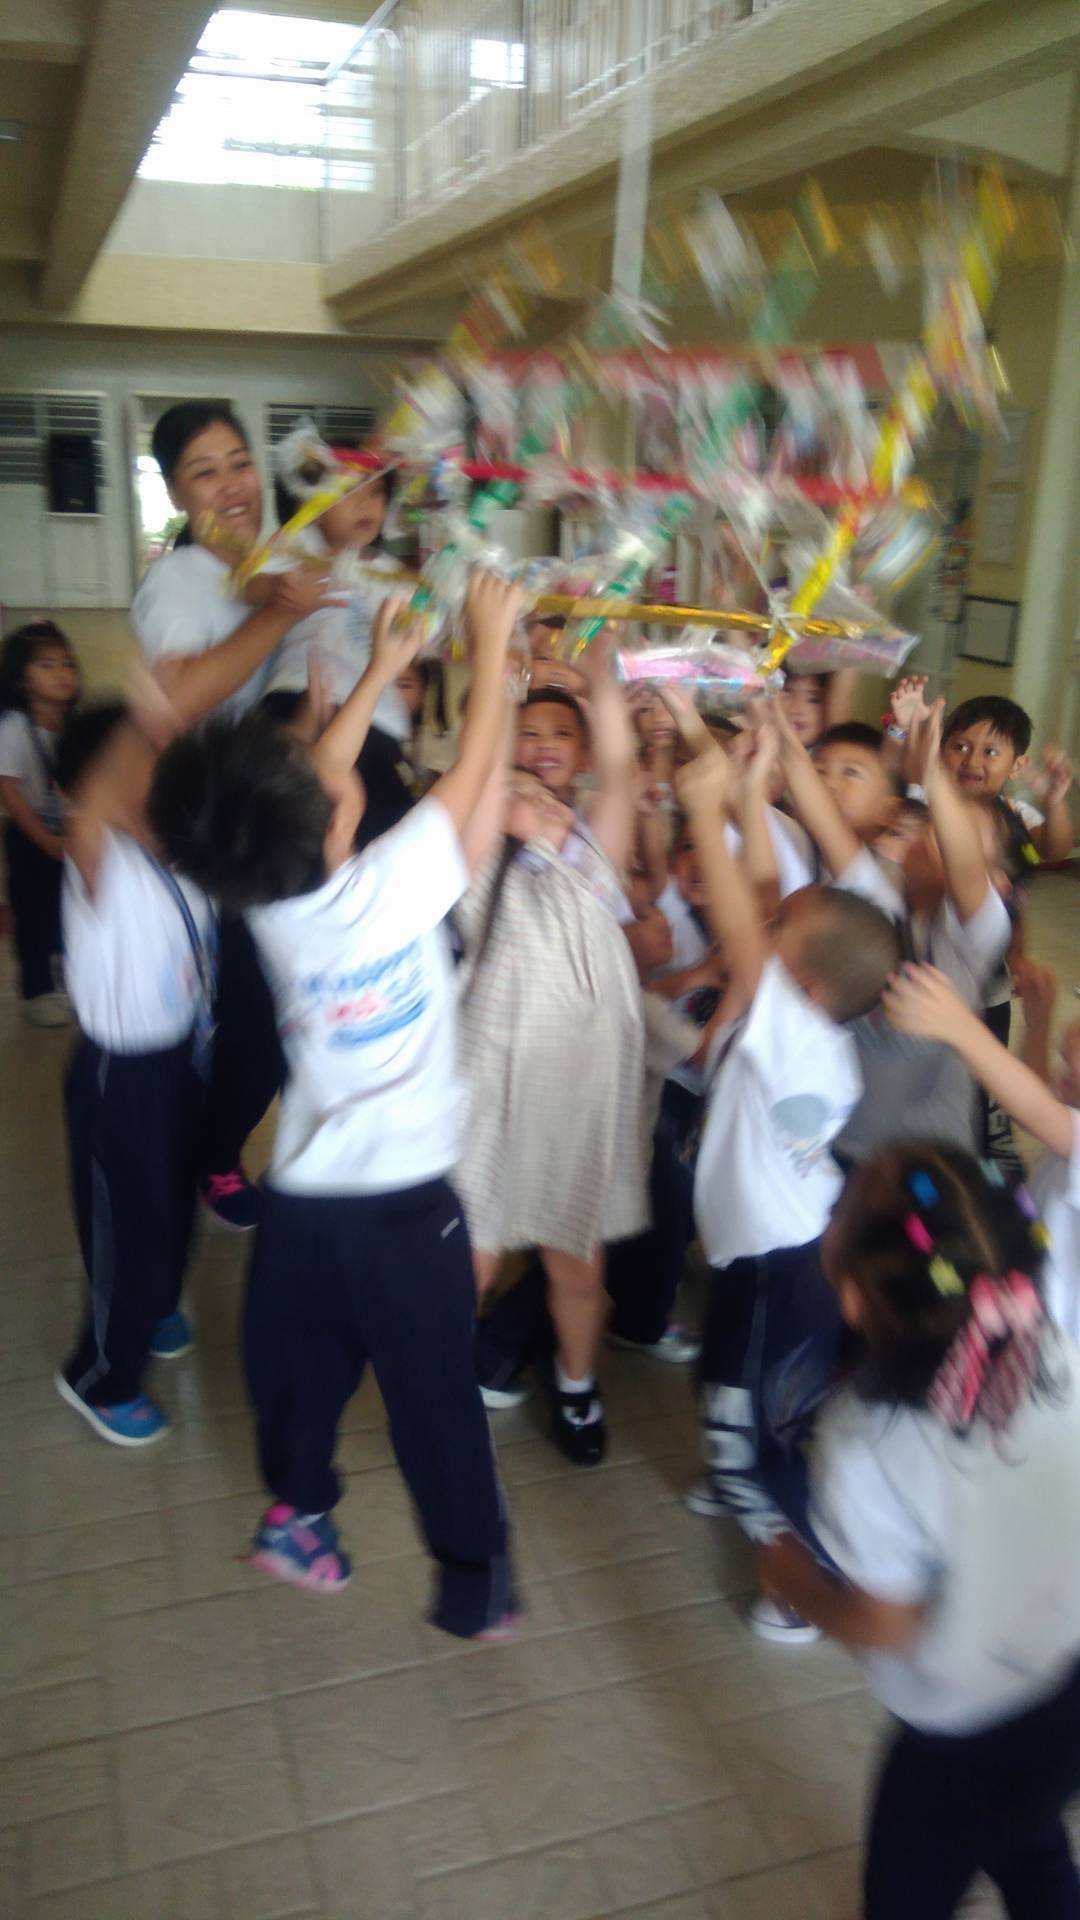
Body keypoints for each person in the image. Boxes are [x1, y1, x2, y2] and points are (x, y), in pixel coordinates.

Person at [148, 576, 520, 1634]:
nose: (335, 767)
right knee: (435, 1399)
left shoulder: (266, 900)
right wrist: (490, 652)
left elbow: (310, 791)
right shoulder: (390, 889)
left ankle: (298, 1515)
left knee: (297, 1370)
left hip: (305, 1205)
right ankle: (472, 1585)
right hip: (406, 1210)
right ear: (329, 823)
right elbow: (470, 778)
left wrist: (380, 673)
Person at [759, 1144, 1080, 1919]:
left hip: (958, 1736)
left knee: (907, 1895)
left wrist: (797, 1580)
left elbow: (888, 1621)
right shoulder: (1053, 1345)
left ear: (855, 1299)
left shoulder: (864, 1444)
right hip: (1068, 1683)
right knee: (1029, 1838)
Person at [675, 718, 901, 1642]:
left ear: (803, 986)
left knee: (752, 1412)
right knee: (741, 1383)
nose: (765, 925)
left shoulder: (793, 1034)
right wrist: (748, 783)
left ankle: (792, 1569)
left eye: (780, 932)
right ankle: (742, 1462)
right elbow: (766, 901)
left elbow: (742, 918)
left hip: (779, 1262)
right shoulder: (811, 1027)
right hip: (772, 1252)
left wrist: (704, 812)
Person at [132, 401, 333, 1229]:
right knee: (253, 1018)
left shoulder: (282, 557)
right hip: (222, 833)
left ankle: (261, 1150)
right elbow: (178, 695)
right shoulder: (177, 579)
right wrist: (281, 610)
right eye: (204, 473)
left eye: (239, 463)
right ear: (178, 494)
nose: (231, 486)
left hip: (289, 811)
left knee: (298, 1007)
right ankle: (210, 1159)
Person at [457, 644, 647, 1466]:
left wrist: (599, 679)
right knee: (470, 1259)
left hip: (578, 1084)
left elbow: (624, 771)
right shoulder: (472, 840)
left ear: (582, 752)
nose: (541, 746)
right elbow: (480, 762)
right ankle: (441, 1386)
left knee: (577, 1263)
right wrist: (500, 673)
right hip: (489, 1080)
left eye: (560, 734)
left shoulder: (595, 843)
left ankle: (577, 1386)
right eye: (526, 732)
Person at [54, 702, 215, 1444]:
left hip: (179, 1059)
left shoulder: (175, 851)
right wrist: (148, 705)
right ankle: (99, 1374)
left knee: (173, 1208)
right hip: (120, 1072)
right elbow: (98, 793)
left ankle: (150, 1306)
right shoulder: (95, 853)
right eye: (140, 764)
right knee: (128, 1227)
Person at [772, 699, 1013, 1162]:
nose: (938, 835)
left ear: (995, 881)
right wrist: (772, 710)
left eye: (962, 832)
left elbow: (964, 870)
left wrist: (932, 773)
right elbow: (822, 816)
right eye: (935, 825)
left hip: (921, 1164)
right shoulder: (883, 901)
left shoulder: (968, 944)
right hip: (844, 1144)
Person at [884, 961, 1080, 1344]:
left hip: (1052, 1341)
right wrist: (1038, 1022)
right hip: (1027, 1287)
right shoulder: (1068, 1123)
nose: (1062, 1076)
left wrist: (960, 1027)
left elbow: (1039, 1111)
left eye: (1071, 1074)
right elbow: (1042, 1101)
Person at [0, 619, 81, 1025]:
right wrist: (43, 840)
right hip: (29, 836)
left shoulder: (74, 724)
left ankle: (66, 972)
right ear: (20, 679)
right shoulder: (13, 729)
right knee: (33, 912)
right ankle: (37, 989)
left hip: (69, 836)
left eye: (67, 664)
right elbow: (10, 793)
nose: (61, 673)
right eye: (46, 666)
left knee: (70, 907)